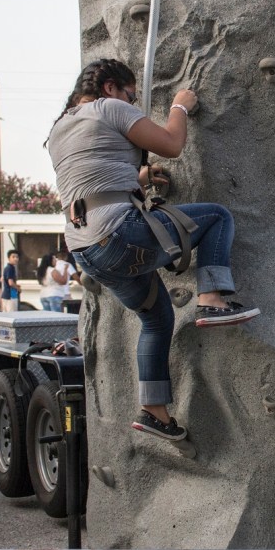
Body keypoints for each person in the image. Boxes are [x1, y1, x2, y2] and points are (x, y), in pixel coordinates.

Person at [46, 58, 260, 442]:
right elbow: (171, 145)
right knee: (216, 217)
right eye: (131, 95)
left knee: (157, 320)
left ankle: (154, 412)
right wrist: (180, 106)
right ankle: (211, 296)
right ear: (111, 88)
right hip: (118, 234)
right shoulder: (109, 107)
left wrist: (137, 177)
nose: (132, 101)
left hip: (87, 252)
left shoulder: (60, 127)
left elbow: (93, 170)